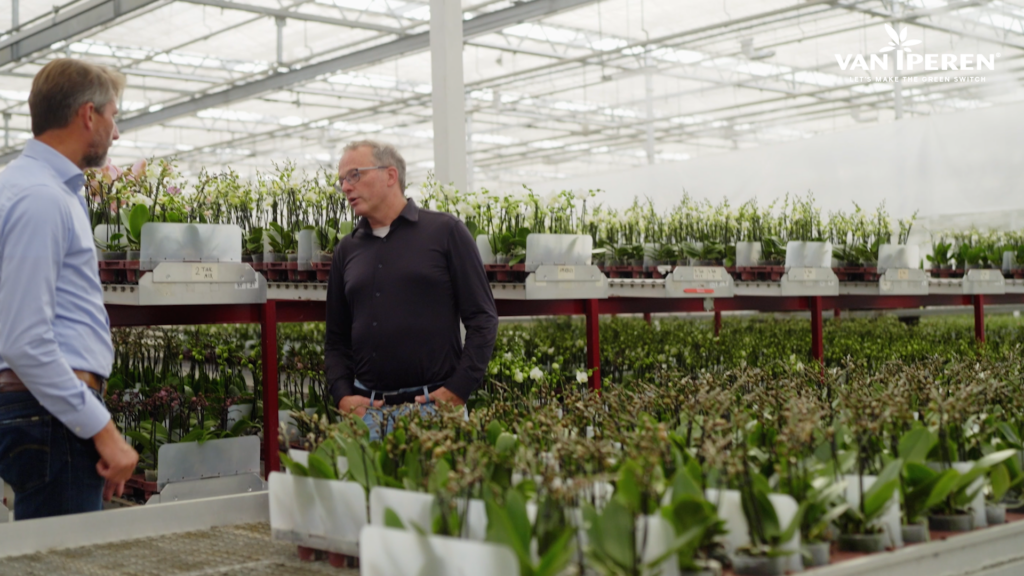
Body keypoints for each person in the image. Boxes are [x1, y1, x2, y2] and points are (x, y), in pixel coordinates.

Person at [0, 59, 139, 519]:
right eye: (113, 116)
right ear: (87, 115)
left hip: (43, 413)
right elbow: (24, 340)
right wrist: (101, 428)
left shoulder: (24, 188)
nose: (115, 133)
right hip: (50, 416)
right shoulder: (42, 199)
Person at [325, 140, 498, 439]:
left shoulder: (445, 233)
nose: (345, 187)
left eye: (354, 175)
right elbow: (336, 339)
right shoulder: (347, 249)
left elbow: (483, 318)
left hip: (435, 411)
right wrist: (342, 396)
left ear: (390, 176)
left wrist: (458, 389)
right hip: (367, 414)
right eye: (342, 179)